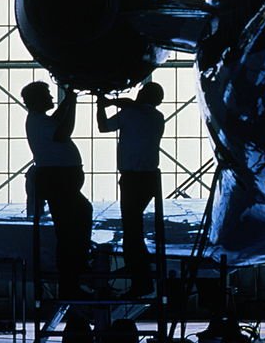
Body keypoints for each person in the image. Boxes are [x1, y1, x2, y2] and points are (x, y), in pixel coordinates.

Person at [22, 81, 93, 300]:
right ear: (36, 100)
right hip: (59, 179)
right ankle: (73, 276)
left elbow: (56, 121)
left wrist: (69, 100)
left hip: (60, 179)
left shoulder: (40, 120)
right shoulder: (38, 121)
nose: (52, 97)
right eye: (47, 94)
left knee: (72, 225)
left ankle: (75, 272)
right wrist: (72, 101)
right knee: (70, 230)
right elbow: (63, 131)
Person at [97, 82, 166, 298]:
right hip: (150, 177)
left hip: (132, 178)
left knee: (131, 228)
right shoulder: (157, 117)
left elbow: (103, 127)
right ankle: (140, 270)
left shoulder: (129, 114)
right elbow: (132, 105)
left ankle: (139, 275)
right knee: (135, 228)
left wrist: (101, 105)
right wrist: (116, 102)